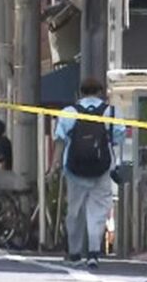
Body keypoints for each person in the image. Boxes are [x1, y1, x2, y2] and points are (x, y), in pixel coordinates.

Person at [54, 78, 125, 269]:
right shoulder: (111, 112)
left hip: (74, 169)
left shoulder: (69, 113)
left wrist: (55, 165)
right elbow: (118, 138)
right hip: (101, 168)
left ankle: (75, 253)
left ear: (80, 93)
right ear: (101, 92)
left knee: (74, 211)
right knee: (98, 211)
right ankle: (93, 252)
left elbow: (60, 140)